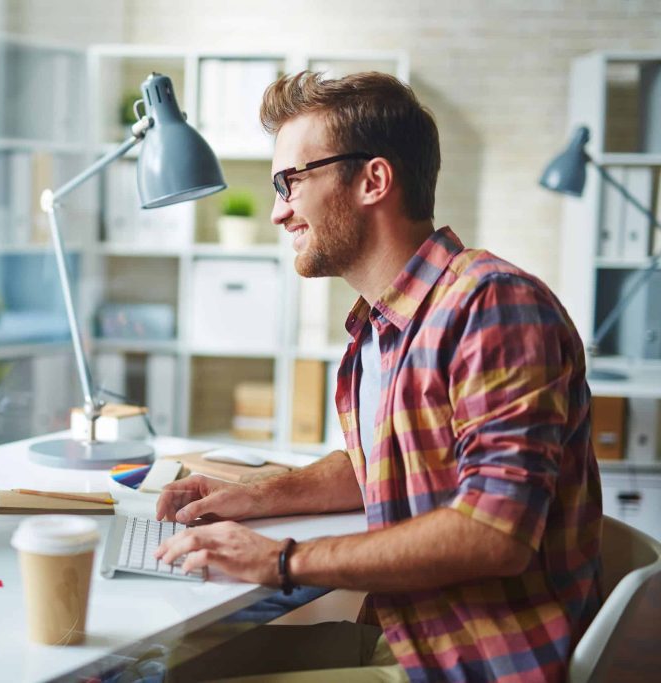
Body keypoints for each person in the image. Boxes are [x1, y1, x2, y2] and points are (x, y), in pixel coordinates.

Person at [155, 71, 602, 683]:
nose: (278, 210)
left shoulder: (491, 305)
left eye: (291, 182)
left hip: (477, 661)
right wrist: (254, 499)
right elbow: (389, 466)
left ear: (373, 180)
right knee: (170, 666)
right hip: (406, 634)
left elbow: (494, 533)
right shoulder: (385, 325)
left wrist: (283, 561)